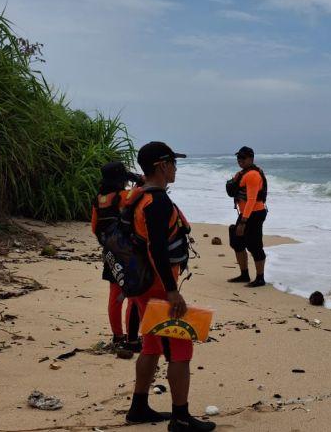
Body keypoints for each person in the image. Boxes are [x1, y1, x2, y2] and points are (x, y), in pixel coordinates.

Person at [124, 141, 215, 432]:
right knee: (179, 347)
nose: (176, 168)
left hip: (141, 282)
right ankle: (180, 418)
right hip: (157, 285)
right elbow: (157, 249)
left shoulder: (137, 196)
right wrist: (171, 290)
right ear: (162, 166)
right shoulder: (157, 201)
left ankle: (138, 407)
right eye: (173, 163)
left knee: (150, 344)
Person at [91, 161, 141, 352]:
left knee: (115, 296)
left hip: (110, 253)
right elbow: (141, 192)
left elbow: (95, 228)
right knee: (133, 297)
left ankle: (117, 335)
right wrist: (139, 180)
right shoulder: (122, 196)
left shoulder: (98, 200)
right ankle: (131, 337)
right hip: (127, 253)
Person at [227, 146, 268, 287]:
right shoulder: (243, 173)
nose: (240, 160)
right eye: (238, 158)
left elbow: (251, 199)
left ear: (251, 158)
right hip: (246, 213)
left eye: (243, 158)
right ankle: (244, 274)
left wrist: (243, 222)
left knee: (254, 245)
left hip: (254, 214)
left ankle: (260, 278)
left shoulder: (253, 175)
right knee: (237, 242)